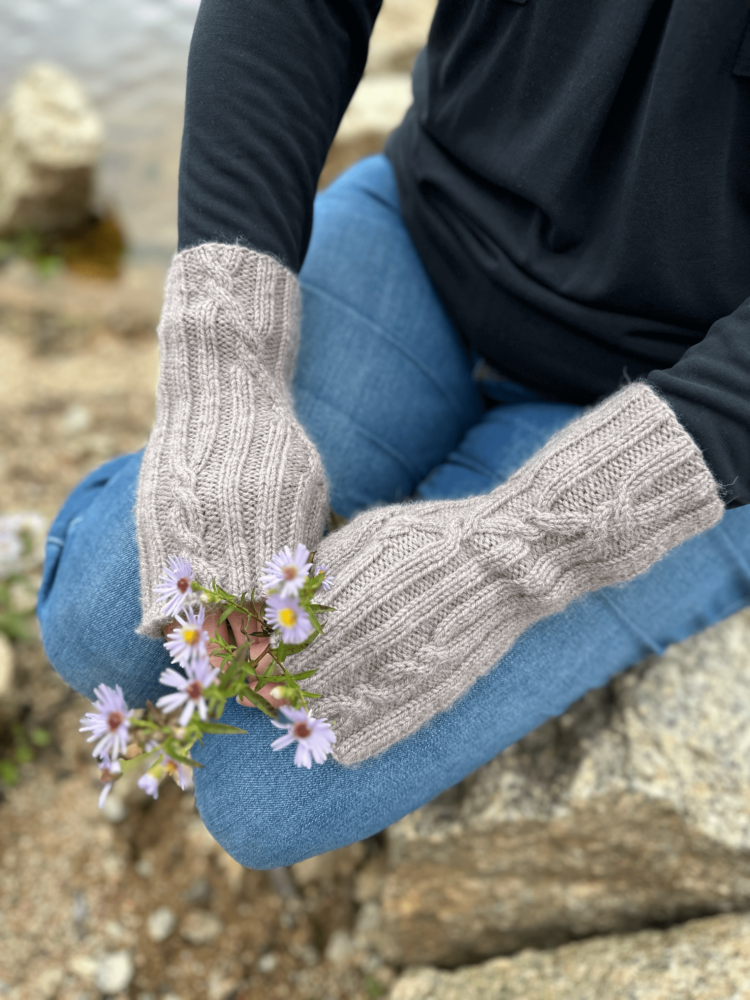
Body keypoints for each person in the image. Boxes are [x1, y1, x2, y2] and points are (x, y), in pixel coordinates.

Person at [38, 0, 750, 868]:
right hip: (430, 235)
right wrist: (223, 371)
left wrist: (510, 554)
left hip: (694, 410)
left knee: (268, 795)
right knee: (108, 619)